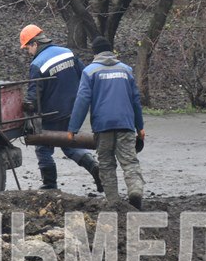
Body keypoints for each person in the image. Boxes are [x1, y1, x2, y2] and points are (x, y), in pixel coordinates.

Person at [20, 24, 102, 192]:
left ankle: (50, 186)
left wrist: (27, 108)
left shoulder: (37, 64)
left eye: (27, 47)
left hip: (52, 114)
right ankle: (94, 166)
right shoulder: (67, 52)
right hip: (74, 110)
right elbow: (85, 75)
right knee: (70, 144)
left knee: (43, 147)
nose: (28, 52)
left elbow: (34, 94)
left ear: (35, 43)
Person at [67, 35, 146, 208]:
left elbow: (82, 100)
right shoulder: (126, 70)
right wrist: (140, 127)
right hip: (125, 124)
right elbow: (135, 100)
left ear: (95, 53)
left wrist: (73, 128)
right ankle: (135, 191)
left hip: (103, 127)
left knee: (106, 164)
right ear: (111, 51)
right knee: (130, 161)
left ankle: (113, 202)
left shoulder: (90, 71)